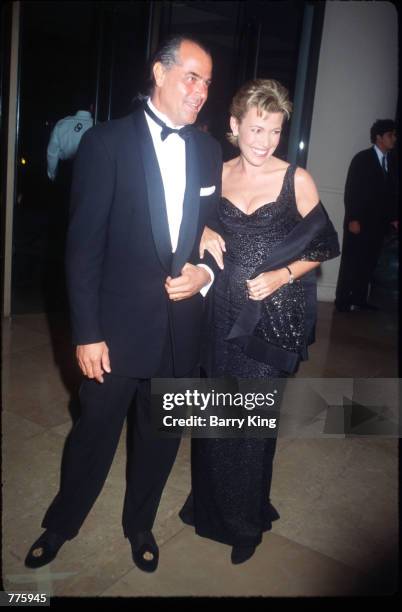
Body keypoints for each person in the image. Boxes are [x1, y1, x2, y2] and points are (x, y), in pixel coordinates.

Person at [24, 35, 222, 573]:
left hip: (181, 331)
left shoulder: (207, 151)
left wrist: (205, 273)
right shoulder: (105, 144)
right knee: (93, 434)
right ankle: (63, 522)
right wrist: (86, 332)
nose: (202, 91)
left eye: (207, 82)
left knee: (160, 440)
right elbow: (82, 248)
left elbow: (216, 232)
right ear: (159, 72)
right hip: (113, 332)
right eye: (192, 77)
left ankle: (140, 523)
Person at [179, 79, 339, 564]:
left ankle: (245, 523)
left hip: (270, 319)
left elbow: (325, 243)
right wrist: (204, 226)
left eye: (274, 130)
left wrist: (281, 276)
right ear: (234, 126)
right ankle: (208, 508)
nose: (265, 141)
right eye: (256, 128)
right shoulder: (216, 172)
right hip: (219, 315)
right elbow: (191, 220)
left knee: (251, 427)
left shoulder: (297, 180)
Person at [335, 119, 398, 312]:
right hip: (359, 222)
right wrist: (353, 218)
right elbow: (352, 190)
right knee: (352, 260)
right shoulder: (362, 159)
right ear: (379, 137)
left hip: (378, 224)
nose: (394, 139)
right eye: (390, 135)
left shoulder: (391, 162)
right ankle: (343, 301)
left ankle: (360, 299)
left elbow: (391, 193)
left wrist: (394, 218)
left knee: (369, 262)